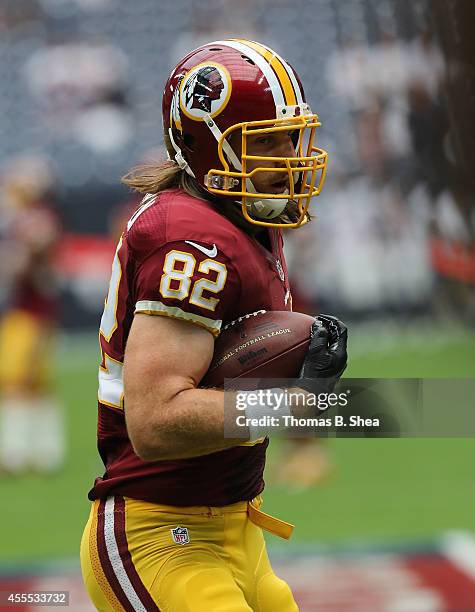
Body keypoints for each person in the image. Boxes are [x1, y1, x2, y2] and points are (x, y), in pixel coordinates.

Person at [80, 39, 347, 611]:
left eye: (291, 137)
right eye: (265, 143)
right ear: (206, 147)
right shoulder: (189, 237)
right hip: (161, 535)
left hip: (237, 528)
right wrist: (292, 402)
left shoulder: (246, 218)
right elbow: (154, 422)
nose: (288, 159)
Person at [0, 155, 64, 475]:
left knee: (15, 382)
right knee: (36, 384)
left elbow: (23, 265)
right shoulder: (37, 219)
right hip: (35, 310)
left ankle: (14, 452)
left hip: (29, 312)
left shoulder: (34, 221)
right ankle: (45, 452)